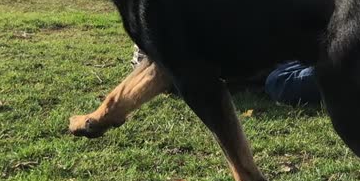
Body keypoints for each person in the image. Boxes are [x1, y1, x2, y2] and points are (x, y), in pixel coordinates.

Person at [131, 45, 321, 106]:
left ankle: (344, 71)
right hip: (276, 63)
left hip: (283, 54)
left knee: (280, 84)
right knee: (279, 84)